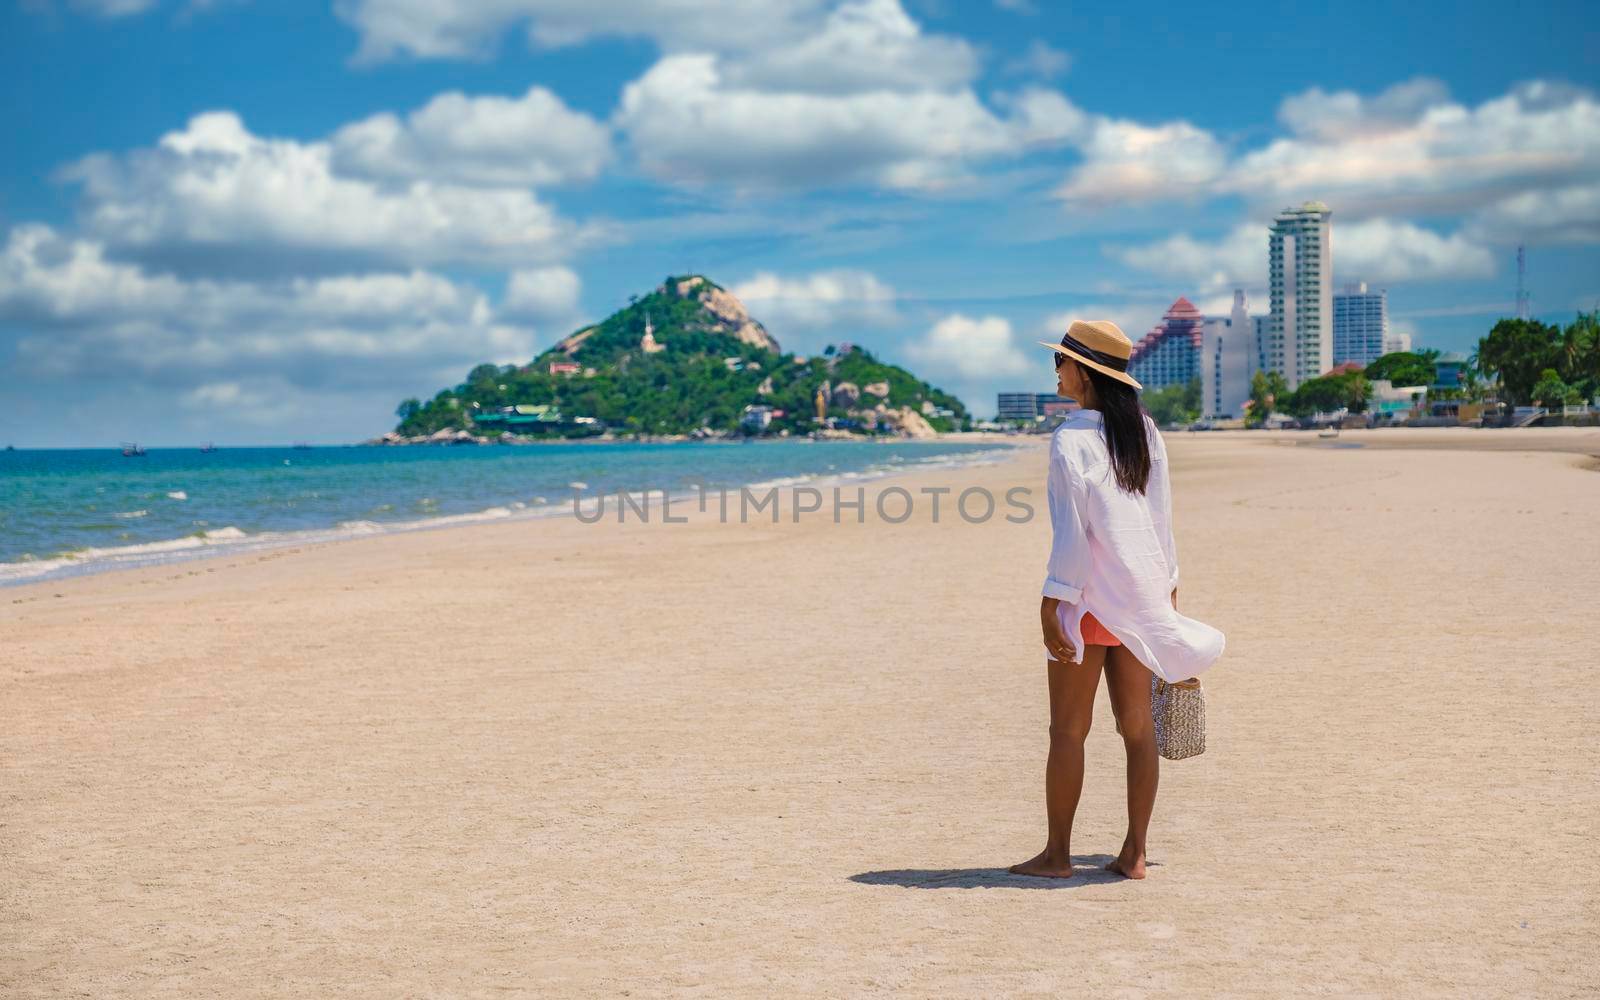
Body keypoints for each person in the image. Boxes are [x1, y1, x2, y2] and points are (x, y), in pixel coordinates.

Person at [1009, 320, 1226, 880]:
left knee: (1067, 731)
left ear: (1082, 372)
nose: (1055, 370)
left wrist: (1052, 602)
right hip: (1139, 599)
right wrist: (1167, 590)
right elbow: (1161, 520)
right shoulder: (1145, 432)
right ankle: (1134, 854)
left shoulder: (1070, 439)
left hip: (1087, 602)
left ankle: (1058, 855)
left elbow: (1072, 536)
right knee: (1137, 730)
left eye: (1060, 361)